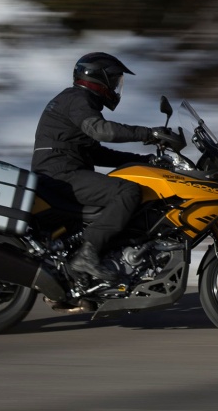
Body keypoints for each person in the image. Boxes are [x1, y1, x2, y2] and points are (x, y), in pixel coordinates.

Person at [31, 51, 163, 282]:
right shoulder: (77, 99)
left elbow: (95, 153)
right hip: (60, 175)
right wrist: (149, 134)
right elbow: (101, 131)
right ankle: (87, 254)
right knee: (128, 191)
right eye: (114, 81)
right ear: (98, 78)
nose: (115, 88)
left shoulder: (75, 101)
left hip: (59, 173)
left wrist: (145, 161)